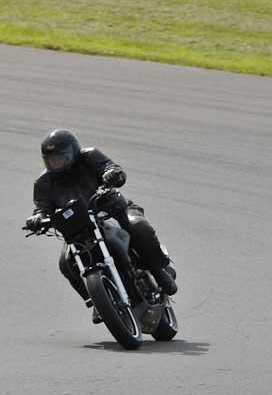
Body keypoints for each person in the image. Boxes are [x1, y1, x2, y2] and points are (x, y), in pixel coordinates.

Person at [25, 129, 177, 322]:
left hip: (112, 209)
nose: (56, 164)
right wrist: (37, 218)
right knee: (65, 262)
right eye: (51, 160)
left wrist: (112, 174)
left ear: (72, 152)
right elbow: (41, 207)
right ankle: (97, 301)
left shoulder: (89, 157)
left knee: (138, 227)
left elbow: (110, 167)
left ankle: (159, 270)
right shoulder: (43, 183)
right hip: (79, 226)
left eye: (60, 158)